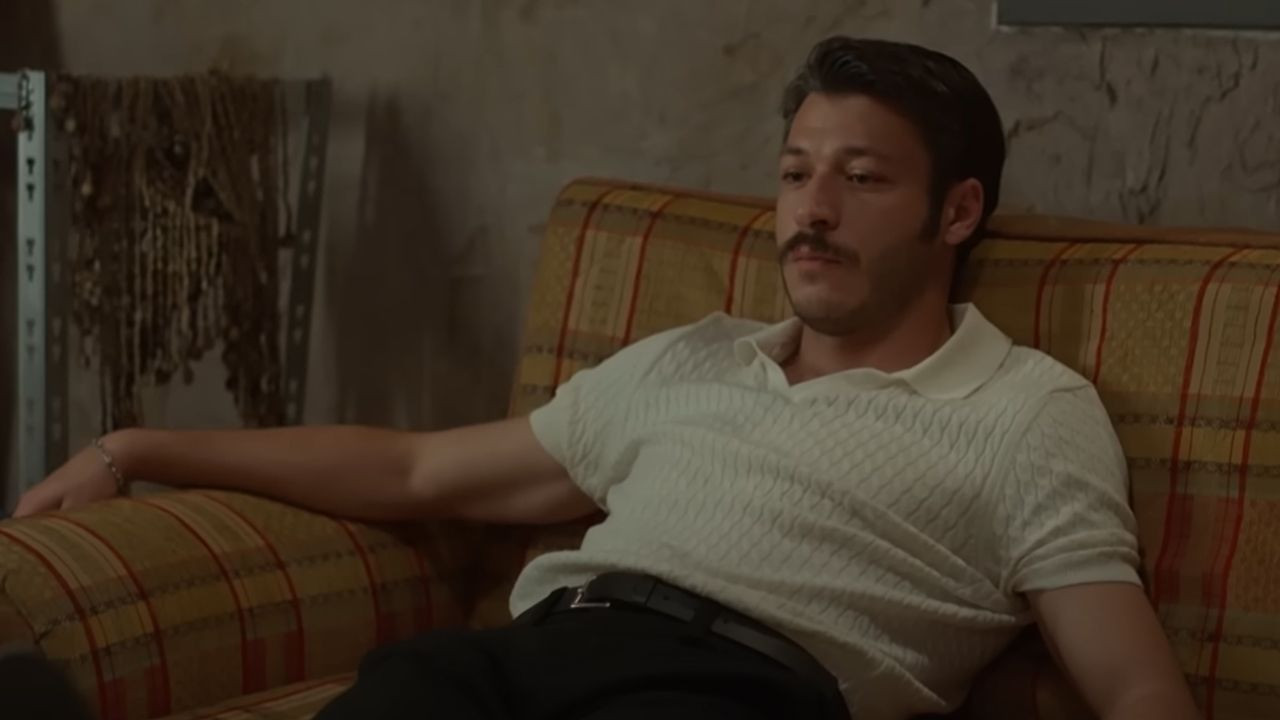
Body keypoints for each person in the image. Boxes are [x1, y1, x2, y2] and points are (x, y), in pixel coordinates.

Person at [16, 37, 1199, 720]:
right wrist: (139, 447)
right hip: (523, 656)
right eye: (794, 174)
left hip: (731, 693)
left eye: (860, 179)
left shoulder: (1023, 409)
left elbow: (1132, 685)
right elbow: (416, 469)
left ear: (957, 210)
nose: (811, 212)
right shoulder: (691, 357)